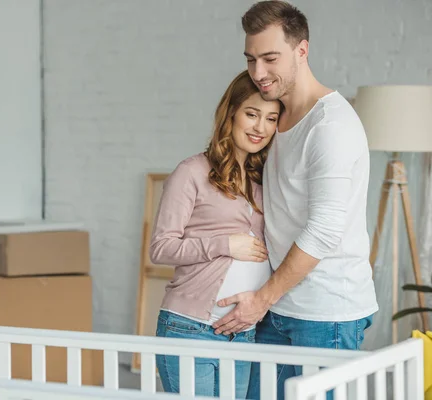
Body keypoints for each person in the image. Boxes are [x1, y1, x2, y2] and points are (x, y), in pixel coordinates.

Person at [210, 2, 379, 399]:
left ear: (302, 51)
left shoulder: (331, 126)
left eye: (270, 58)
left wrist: (260, 299)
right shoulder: (277, 118)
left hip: (326, 314)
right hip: (280, 304)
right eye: (251, 59)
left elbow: (323, 232)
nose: (258, 73)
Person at [149, 69, 281, 399]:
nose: (260, 128)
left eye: (270, 118)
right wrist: (224, 245)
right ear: (231, 113)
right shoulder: (191, 172)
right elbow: (161, 248)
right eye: (252, 114)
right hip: (190, 328)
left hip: (243, 332)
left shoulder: (263, 181)